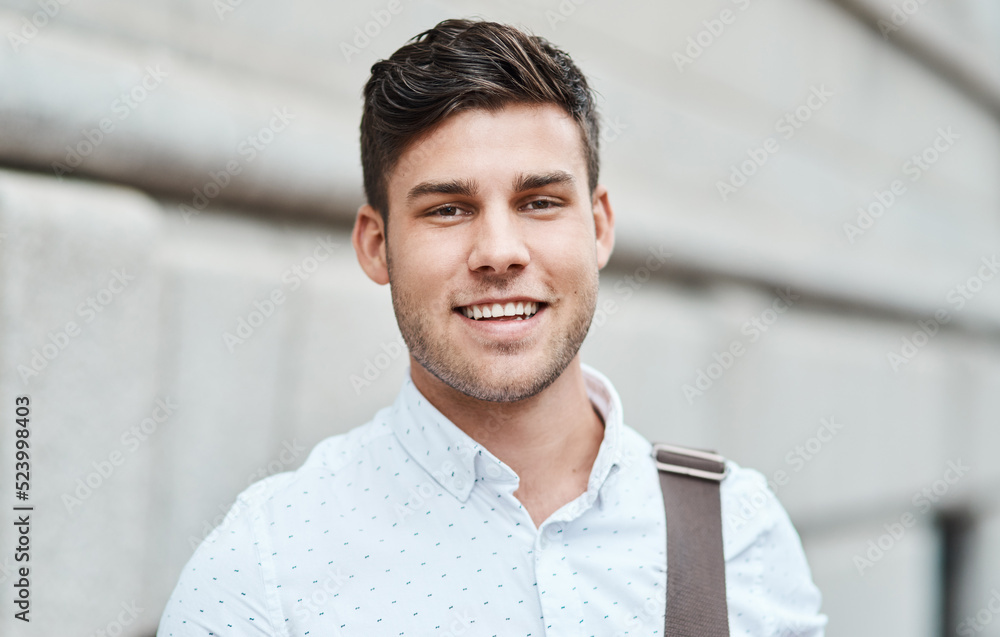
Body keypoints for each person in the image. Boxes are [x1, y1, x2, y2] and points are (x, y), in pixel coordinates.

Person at [158, 18, 827, 635]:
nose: (500, 251)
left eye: (539, 202)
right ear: (375, 244)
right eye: (449, 209)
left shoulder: (737, 531)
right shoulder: (265, 563)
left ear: (597, 227)